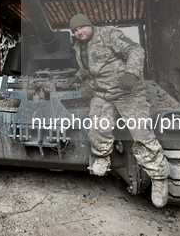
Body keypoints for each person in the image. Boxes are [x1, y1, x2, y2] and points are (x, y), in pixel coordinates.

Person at [67, 13, 170, 208]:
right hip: (102, 93)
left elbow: (135, 50)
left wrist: (131, 73)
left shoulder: (109, 35)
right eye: (75, 30)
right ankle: (102, 158)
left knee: (141, 132)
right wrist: (78, 77)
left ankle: (159, 177)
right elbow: (91, 68)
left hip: (126, 92)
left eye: (81, 28)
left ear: (89, 25)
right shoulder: (79, 46)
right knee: (97, 128)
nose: (79, 32)